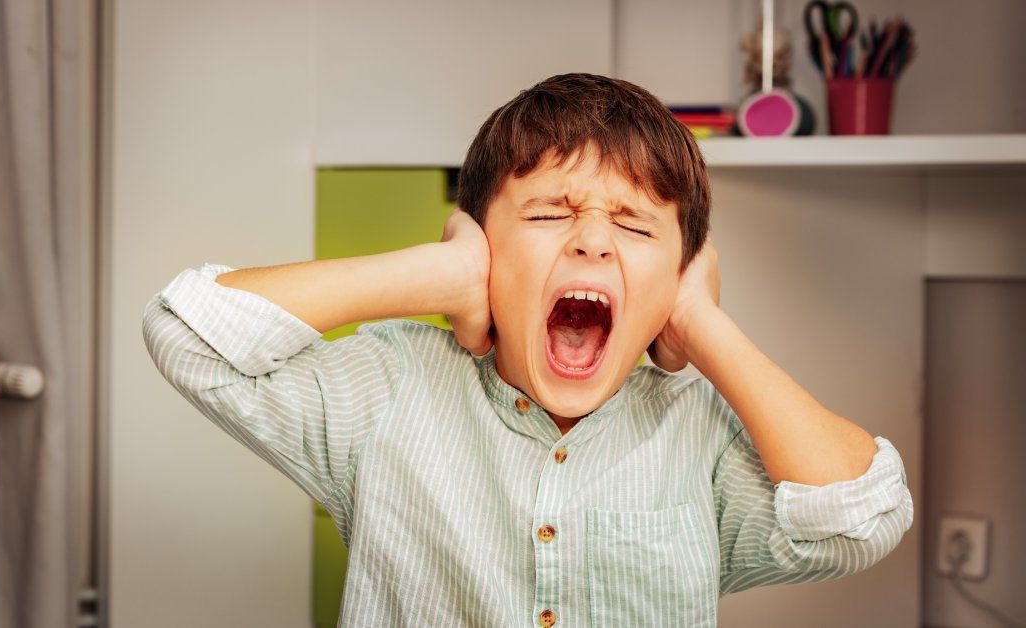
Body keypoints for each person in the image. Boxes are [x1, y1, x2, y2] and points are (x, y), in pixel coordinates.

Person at [141, 72, 913, 627]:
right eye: (549, 214)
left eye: (637, 227)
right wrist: (438, 271)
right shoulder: (391, 387)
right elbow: (188, 332)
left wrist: (702, 322)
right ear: (484, 245)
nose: (592, 243)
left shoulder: (700, 434)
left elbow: (859, 518)